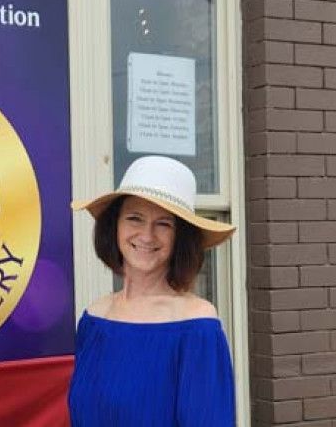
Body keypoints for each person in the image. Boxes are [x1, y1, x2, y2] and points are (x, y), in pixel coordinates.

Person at [68, 155, 236, 426]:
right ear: (114, 226)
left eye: (163, 224)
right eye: (135, 218)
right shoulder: (93, 319)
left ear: (180, 237)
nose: (147, 235)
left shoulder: (197, 326)